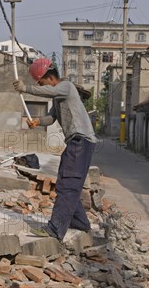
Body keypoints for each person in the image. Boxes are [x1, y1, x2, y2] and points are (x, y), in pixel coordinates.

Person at [13, 58, 97, 241]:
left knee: (68, 183)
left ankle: (56, 228)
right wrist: (37, 121)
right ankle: (80, 222)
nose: (41, 86)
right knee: (66, 183)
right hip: (79, 143)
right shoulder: (60, 98)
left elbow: (49, 92)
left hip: (80, 142)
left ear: (49, 78)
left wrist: (25, 88)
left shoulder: (65, 87)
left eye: (41, 83)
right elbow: (51, 118)